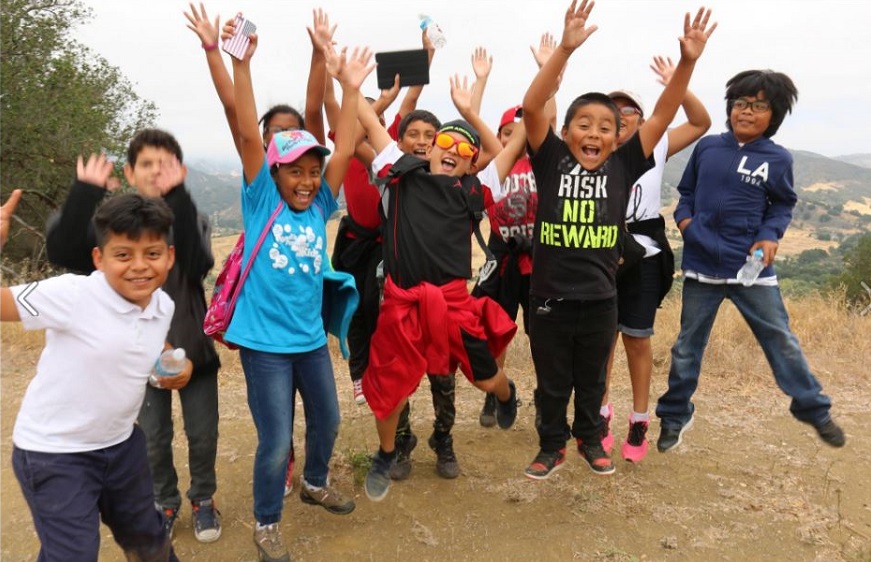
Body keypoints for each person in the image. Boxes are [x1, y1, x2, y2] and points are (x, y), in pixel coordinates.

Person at [521, 0, 715, 480]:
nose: (595, 133)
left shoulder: (624, 164)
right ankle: (551, 446)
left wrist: (688, 62)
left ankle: (590, 439)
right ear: (564, 133)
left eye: (606, 128)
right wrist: (563, 51)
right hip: (548, 296)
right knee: (551, 382)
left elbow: (666, 111)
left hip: (600, 296)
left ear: (617, 138)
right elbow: (531, 107)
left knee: (591, 378)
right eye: (584, 125)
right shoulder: (550, 161)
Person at [222, 15, 373, 562]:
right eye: (295, 172)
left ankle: (313, 482)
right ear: (274, 174)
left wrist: (351, 89)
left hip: (309, 339)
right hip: (265, 345)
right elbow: (244, 132)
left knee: (328, 419)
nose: (308, 180)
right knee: (274, 440)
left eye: (314, 170)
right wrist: (241, 64)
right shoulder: (261, 198)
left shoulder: (322, 205)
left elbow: (348, 143)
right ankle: (266, 523)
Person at [655, 69, 846, 452]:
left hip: (752, 268)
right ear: (730, 108)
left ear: (773, 115)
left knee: (781, 339)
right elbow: (686, 192)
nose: (747, 112)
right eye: (740, 103)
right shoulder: (708, 147)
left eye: (759, 106)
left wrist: (768, 237)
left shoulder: (777, 158)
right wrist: (687, 223)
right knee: (686, 348)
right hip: (702, 266)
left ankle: (811, 407)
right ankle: (675, 415)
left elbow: (782, 205)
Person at [356, 70, 526, 500]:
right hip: (402, 302)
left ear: (473, 162)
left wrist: (470, 109)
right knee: (390, 390)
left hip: (452, 305)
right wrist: (344, 78)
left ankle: (507, 396)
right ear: (428, 149)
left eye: (464, 148)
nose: (452, 149)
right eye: (444, 142)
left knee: (487, 379)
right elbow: (370, 125)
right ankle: (386, 452)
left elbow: (514, 140)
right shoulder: (399, 177)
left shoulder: (475, 190)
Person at [45, 131, 223, 542]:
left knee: (203, 433)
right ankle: (164, 502)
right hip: (130, 357)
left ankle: (203, 498)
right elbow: (65, 251)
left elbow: (198, 262)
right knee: (152, 439)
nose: (156, 173)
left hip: (192, 350)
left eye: (167, 166)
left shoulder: (190, 218)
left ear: (181, 171)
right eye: (147, 165)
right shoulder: (110, 226)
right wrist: (84, 194)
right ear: (128, 173)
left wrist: (178, 196)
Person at [3, 193, 186, 562]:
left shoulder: (162, 304)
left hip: (121, 445)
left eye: (152, 253)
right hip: (54, 453)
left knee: (148, 540)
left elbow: (148, 343)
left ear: (169, 256)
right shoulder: (73, 295)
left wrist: (172, 364)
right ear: (99, 259)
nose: (139, 266)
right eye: (123, 255)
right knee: (73, 554)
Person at [599, 56, 711, 464]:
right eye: (613, 109)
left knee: (637, 336)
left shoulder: (657, 142)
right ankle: (600, 415)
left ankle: (639, 420)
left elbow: (700, 123)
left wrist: (676, 83)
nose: (620, 115)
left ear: (643, 117)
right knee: (603, 337)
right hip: (602, 249)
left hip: (644, 249)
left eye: (629, 109)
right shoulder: (594, 147)